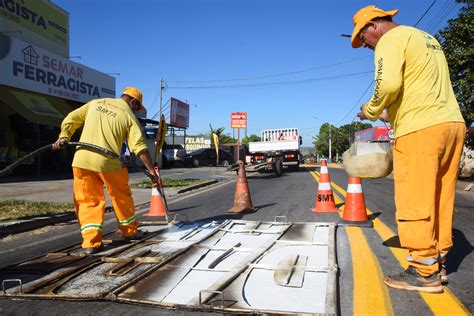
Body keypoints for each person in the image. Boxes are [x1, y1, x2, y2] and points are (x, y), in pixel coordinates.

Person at [352, 6, 465, 293]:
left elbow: (387, 83)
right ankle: (438, 260)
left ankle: (422, 270)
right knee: (441, 195)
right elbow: (415, 89)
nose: (365, 45)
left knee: (415, 197)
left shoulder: (390, 40)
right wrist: (387, 111)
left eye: (362, 38)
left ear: (372, 25)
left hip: (420, 129)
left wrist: (371, 109)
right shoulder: (426, 38)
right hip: (451, 123)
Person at [53, 87, 158, 255]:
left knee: (87, 201)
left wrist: (64, 136)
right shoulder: (129, 116)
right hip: (108, 162)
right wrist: (152, 171)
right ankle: (130, 231)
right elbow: (139, 147)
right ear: (133, 102)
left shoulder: (95, 103)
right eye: (137, 108)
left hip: (82, 160)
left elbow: (71, 118)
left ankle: (91, 243)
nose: (136, 111)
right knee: (121, 196)